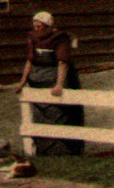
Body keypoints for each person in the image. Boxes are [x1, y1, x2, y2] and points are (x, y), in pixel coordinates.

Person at [16, 11, 85, 156]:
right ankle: (44, 150)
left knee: (60, 115)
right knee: (40, 117)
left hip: (55, 81)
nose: (37, 28)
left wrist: (59, 84)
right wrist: (23, 81)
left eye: (40, 26)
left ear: (47, 25)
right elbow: (30, 60)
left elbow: (62, 62)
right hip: (37, 82)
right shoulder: (33, 38)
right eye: (35, 25)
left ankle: (63, 151)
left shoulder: (59, 39)